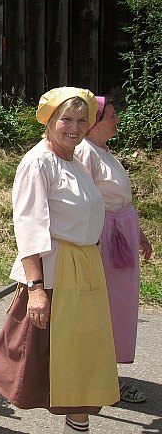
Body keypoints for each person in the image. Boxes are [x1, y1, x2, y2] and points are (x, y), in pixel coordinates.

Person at [0, 87, 119, 433]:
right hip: (52, 273)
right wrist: (36, 289)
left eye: (83, 120)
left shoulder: (76, 161)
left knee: (73, 359)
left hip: (83, 271)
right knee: (35, 356)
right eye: (66, 119)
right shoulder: (38, 163)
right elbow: (30, 226)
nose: (74, 127)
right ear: (49, 120)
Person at [75, 96, 152, 403]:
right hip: (104, 239)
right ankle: (102, 377)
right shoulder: (85, 152)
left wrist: (139, 233)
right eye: (113, 115)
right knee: (104, 308)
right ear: (95, 121)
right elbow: (83, 201)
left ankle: (106, 372)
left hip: (120, 234)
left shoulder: (104, 151)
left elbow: (123, 200)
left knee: (118, 307)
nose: (117, 120)